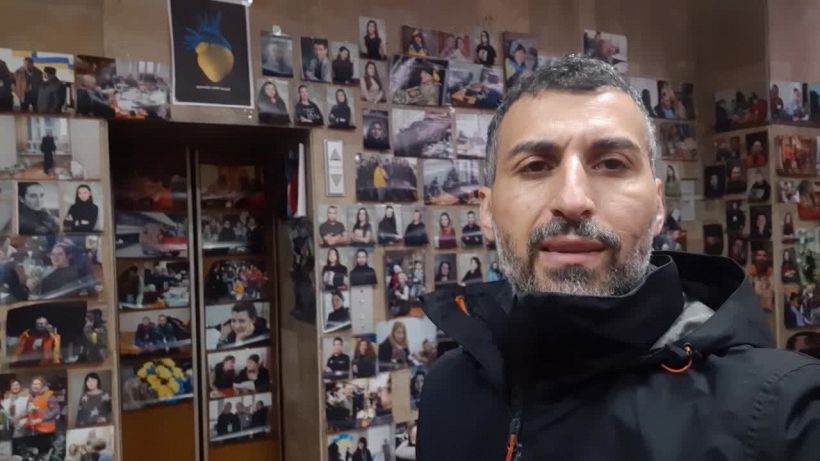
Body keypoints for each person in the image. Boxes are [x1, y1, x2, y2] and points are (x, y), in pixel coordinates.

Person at [418, 55, 820, 460]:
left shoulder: (785, 416)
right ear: (487, 211)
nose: (572, 200)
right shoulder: (448, 392)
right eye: (536, 166)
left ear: (659, 206)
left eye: (612, 164)